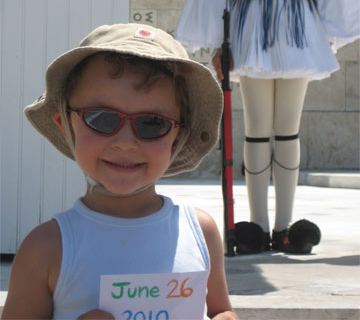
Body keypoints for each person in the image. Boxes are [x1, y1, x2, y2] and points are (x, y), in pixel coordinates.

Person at [175, 0, 360, 254]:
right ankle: (256, 226)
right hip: (251, 28)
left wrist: (327, 33)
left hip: (297, 29)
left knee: (288, 129)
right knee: (258, 130)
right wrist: (217, 44)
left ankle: (285, 225)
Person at [2, 23, 238, 320]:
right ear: (66, 127)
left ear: (176, 137)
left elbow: (221, 309)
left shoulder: (201, 231)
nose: (126, 143)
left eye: (152, 123)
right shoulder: (46, 248)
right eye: (101, 118)